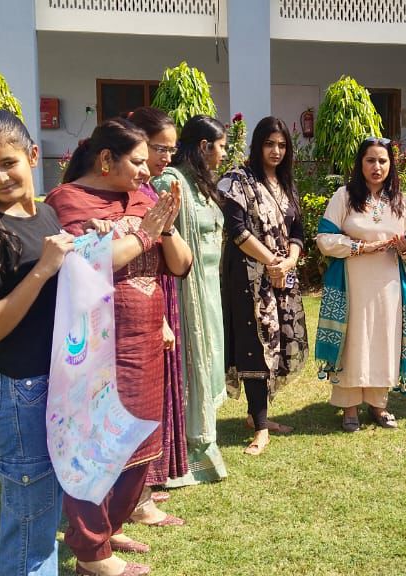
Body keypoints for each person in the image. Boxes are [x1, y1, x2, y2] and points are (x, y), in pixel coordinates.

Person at [46, 118, 190, 576]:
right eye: (138, 162)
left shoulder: (142, 198)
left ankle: (107, 528)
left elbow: (181, 265)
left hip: (146, 338)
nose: (148, 172)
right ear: (106, 160)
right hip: (98, 345)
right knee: (97, 442)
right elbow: (86, 266)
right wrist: (142, 232)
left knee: (136, 442)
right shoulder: (67, 201)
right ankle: (91, 553)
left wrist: (163, 227)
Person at [0, 109, 72, 576]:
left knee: (44, 511)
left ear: (32, 154)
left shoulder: (44, 213)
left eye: (8, 163)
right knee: (30, 523)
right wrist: (44, 268)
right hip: (20, 389)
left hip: (56, 380)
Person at [314, 137, 406, 432]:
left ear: (391, 165)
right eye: (370, 160)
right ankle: (349, 407)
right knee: (354, 340)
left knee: (383, 339)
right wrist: (361, 247)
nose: (377, 167)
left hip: (388, 285)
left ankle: (379, 404)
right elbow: (324, 240)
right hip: (352, 284)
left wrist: (405, 247)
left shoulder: (399, 201)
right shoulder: (344, 196)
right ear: (360, 163)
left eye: (383, 161)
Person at [217, 116, 308, 455]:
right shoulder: (237, 180)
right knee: (255, 343)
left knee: (280, 340)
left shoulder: (285, 184)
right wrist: (272, 261)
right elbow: (237, 230)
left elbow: (298, 232)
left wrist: (288, 261)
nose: (276, 151)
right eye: (270, 144)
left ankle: (260, 415)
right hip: (248, 277)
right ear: (256, 145)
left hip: (282, 277)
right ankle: (259, 427)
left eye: (282, 145)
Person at [123, 106, 188, 529]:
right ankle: (134, 498)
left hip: (156, 297)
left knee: (150, 404)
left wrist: (164, 227)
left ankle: (143, 488)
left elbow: (179, 263)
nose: (165, 158)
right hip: (123, 313)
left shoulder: (151, 193)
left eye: (171, 149)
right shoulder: (104, 195)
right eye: (159, 148)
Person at [156, 115, 231, 485]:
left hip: (208, 289)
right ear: (204, 146)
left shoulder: (201, 184)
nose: (224, 154)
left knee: (208, 359)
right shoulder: (172, 182)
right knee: (189, 361)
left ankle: (203, 442)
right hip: (184, 290)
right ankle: (184, 450)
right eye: (221, 146)